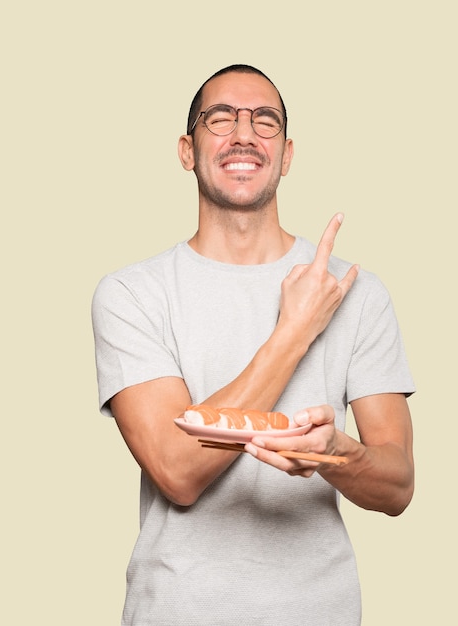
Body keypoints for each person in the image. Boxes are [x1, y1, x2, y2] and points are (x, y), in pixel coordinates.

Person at [92, 64, 415, 626]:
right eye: (220, 119)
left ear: (287, 155)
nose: (244, 134)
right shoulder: (130, 294)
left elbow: (398, 486)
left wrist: (335, 454)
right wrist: (295, 331)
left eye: (265, 122)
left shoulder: (356, 293)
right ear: (186, 150)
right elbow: (177, 471)